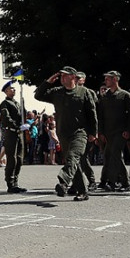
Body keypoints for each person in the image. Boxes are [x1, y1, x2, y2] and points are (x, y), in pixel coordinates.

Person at [35, 66, 97, 201]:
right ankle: (82, 191)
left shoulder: (84, 92)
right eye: (61, 76)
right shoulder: (57, 92)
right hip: (63, 133)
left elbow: (92, 113)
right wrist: (48, 82)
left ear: (73, 77)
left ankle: (63, 182)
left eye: (65, 75)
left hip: (80, 133)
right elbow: (38, 95)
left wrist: (93, 132)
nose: (62, 78)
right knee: (73, 162)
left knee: (72, 157)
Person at [97, 70, 130, 191]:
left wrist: (128, 130)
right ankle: (119, 181)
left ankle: (115, 182)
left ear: (115, 80)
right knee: (109, 155)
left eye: (108, 78)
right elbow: (101, 116)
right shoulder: (104, 96)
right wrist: (101, 132)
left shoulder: (125, 95)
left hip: (120, 131)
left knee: (116, 154)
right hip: (108, 132)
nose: (106, 81)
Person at [0, 80, 26, 193]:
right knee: (12, 159)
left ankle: (15, 182)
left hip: (18, 133)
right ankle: (10, 183)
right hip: (11, 132)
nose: (14, 90)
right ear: (6, 91)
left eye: (14, 89)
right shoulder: (5, 104)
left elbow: (22, 116)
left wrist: (23, 106)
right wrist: (16, 126)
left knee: (19, 159)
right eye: (11, 89)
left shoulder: (17, 103)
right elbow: (6, 118)